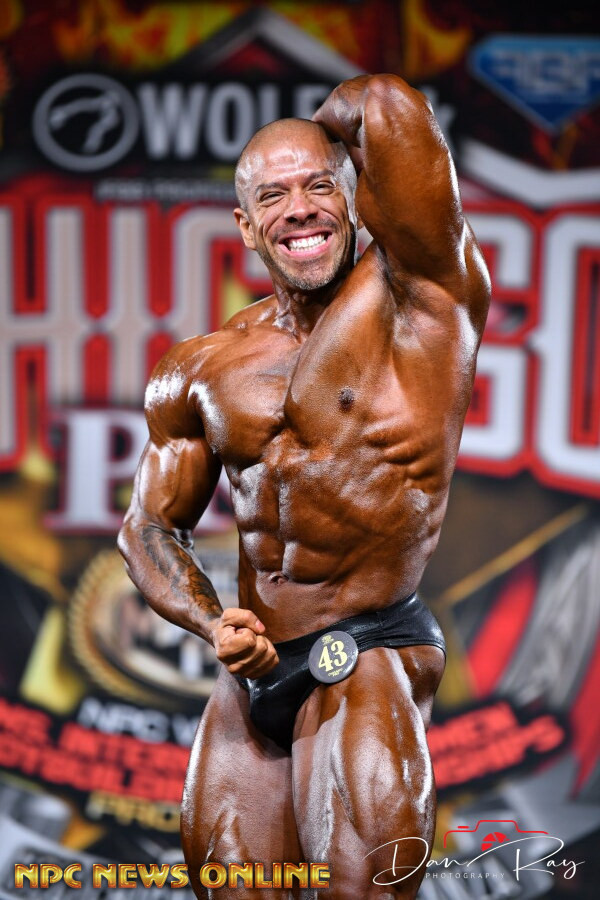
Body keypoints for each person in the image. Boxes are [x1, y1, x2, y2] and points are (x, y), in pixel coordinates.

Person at [118, 74, 490, 899]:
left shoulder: (426, 299)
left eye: (320, 186)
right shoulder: (203, 366)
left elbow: (384, 100)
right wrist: (213, 622)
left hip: (368, 647)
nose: (300, 209)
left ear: (356, 197)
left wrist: (315, 137)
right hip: (253, 673)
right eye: (273, 196)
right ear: (245, 226)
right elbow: (146, 527)